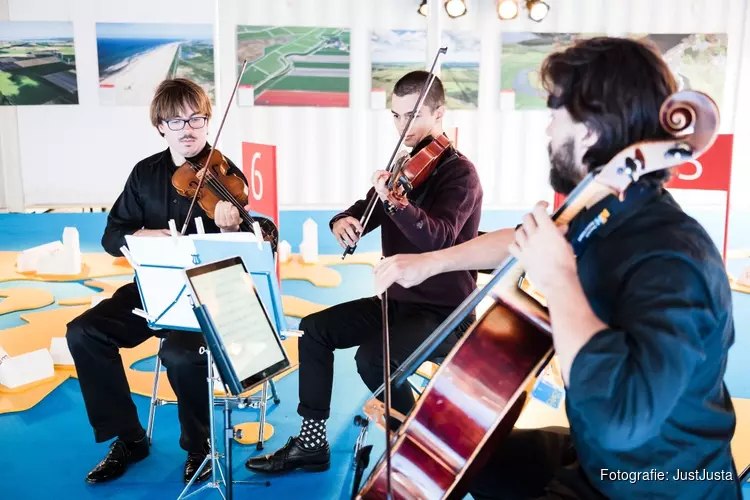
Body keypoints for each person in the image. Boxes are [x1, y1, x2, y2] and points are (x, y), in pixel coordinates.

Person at [373, 37, 741, 499]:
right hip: (598, 457)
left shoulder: (672, 259)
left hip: (655, 481)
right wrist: (428, 263)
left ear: (588, 130)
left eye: (554, 117)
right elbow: (528, 240)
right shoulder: (612, 210)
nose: (548, 133)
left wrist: (560, 278)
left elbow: (619, 421)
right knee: (456, 454)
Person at [245, 70, 483, 475]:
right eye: (395, 116)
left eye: (413, 116)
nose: (402, 127)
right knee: (314, 328)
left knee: (373, 359)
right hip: (397, 300)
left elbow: (438, 238)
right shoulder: (406, 165)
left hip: (444, 313)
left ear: (439, 112)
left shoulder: (460, 174)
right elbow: (366, 208)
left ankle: (417, 447)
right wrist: (342, 220)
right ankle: (311, 443)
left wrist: (397, 203)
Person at [66, 78, 274, 486]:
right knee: (84, 332)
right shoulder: (145, 174)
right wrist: (144, 236)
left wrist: (239, 226)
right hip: (157, 290)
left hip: (211, 297)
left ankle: (199, 446)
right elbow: (112, 236)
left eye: (197, 118)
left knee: (181, 355)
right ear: (161, 127)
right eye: (177, 121)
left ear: (207, 121)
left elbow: (263, 237)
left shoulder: (225, 174)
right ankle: (130, 438)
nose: (189, 129)